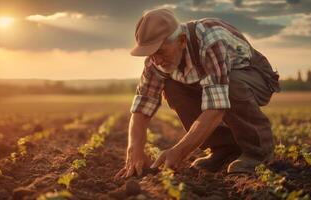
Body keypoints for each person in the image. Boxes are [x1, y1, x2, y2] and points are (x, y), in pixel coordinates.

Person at [115, 8, 280, 179]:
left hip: (254, 76)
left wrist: (180, 151)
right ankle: (224, 148)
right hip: (216, 82)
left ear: (181, 40)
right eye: (151, 54)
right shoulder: (155, 62)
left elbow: (216, 108)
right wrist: (134, 151)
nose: (156, 60)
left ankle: (259, 152)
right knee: (172, 87)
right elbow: (141, 108)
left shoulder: (210, 40)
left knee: (232, 84)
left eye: (160, 51)